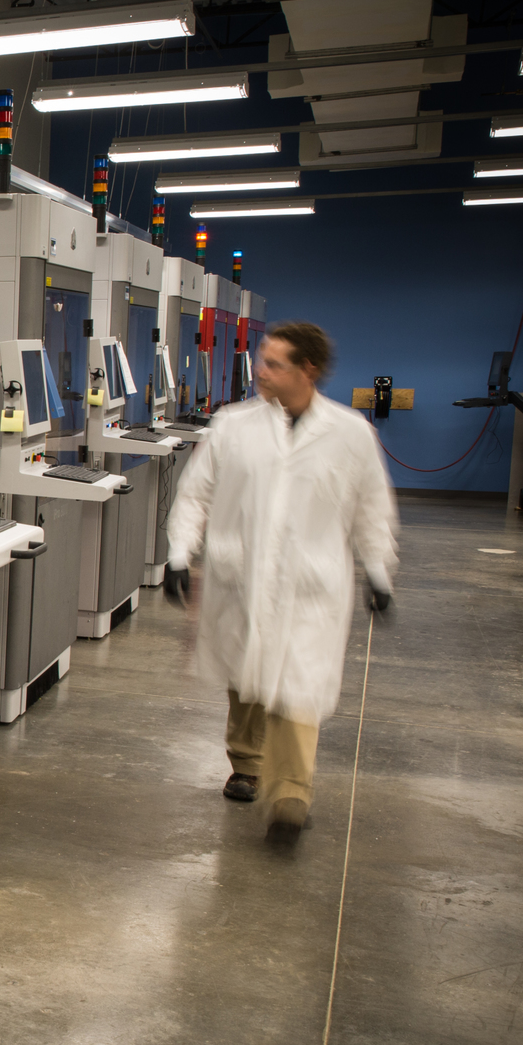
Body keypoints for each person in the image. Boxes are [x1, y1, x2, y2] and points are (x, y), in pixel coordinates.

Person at [163, 321, 397, 838]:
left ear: (307, 370)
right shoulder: (234, 425)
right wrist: (180, 553)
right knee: (246, 674)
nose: (260, 372)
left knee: (297, 685)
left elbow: (370, 507)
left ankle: (290, 793)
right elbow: (196, 493)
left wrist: (378, 570)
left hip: (309, 585)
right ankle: (246, 761)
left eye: (273, 363)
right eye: (261, 360)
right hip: (241, 574)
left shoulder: (350, 433)